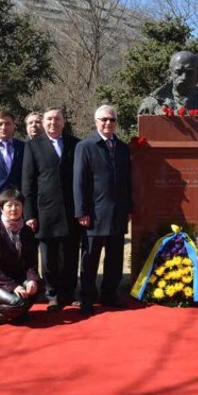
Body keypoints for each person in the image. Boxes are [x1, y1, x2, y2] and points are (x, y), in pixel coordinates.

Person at [73, 105, 132, 316]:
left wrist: (129, 209)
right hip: (94, 214)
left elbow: (127, 181)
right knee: (90, 258)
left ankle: (110, 293)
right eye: (104, 119)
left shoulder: (123, 148)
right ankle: (87, 297)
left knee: (115, 257)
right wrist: (81, 211)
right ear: (96, 121)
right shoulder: (85, 146)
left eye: (112, 120)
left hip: (118, 213)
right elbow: (79, 182)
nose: (108, 123)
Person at [23, 107, 82, 311]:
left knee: (71, 254)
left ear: (63, 122)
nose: (53, 123)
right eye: (49, 119)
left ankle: (69, 292)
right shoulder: (33, 146)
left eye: (57, 119)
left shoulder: (76, 144)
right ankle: (52, 294)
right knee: (48, 258)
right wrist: (29, 214)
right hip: (45, 211)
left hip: (71, 210)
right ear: (43, 122)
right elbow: (28, 183)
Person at [0, 187, 40, 327]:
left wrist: (31, 280)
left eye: (17, 205)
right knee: (18, 302)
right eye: (9, 205)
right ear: (1, 208)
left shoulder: (27, 231)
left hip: (16, 278)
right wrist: (12, 286)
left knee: (36, 287)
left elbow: (31, 261)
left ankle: (18, 313)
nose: (14, 209)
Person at [137, 51, 198, 115]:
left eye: (189, 73)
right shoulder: (151, 105)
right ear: (170, 74)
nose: (184, 77)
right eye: (178, 72)